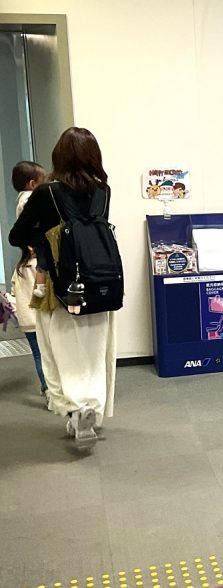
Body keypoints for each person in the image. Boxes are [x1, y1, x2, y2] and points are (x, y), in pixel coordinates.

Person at [8, 127, 117, 450]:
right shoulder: (103, 190)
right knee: (96, 352)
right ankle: (91, 409)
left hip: (61, 287)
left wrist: (44, 235)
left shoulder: (47, 193)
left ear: (59, 156)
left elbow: (17, 236)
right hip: (101, 284)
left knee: (62, 350)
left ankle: (76, 407)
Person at [10, 246, 48, 400]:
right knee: (48, 355)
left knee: (38, 355)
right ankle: (52, 388)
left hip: (26, 319)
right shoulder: (41, 265)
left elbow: (13, 292)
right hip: (42, 317)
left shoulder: (19, 266)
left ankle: (46, 389)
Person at [9, 161, 48, 298]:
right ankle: (41, 286)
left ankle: (40, 286)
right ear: (32, 184)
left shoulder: (21, 199)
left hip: (31, 240)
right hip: (35, 236)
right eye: (42, 183)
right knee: (43, 258)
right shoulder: (29, 199)